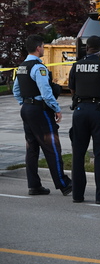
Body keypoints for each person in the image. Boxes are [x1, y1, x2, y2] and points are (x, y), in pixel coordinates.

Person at [13, 35, 72, 196]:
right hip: (40, 111)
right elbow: (46, 93)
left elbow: (16, 91)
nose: (44, 49)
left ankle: (34, 185)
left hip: (26, 109)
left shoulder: (22, 67)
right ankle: (64, 184)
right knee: (52, 147)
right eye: (43, 47)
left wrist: (25, 103)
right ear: (38, 48)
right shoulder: (39, 68)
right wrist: (57, 108)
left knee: (32, 149)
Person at [68, 35, 100, 204]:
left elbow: (71, 89)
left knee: (78, 154)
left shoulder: (76, 67)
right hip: (98, 112)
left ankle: (77, 195)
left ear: (86, 47)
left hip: (79, 111)